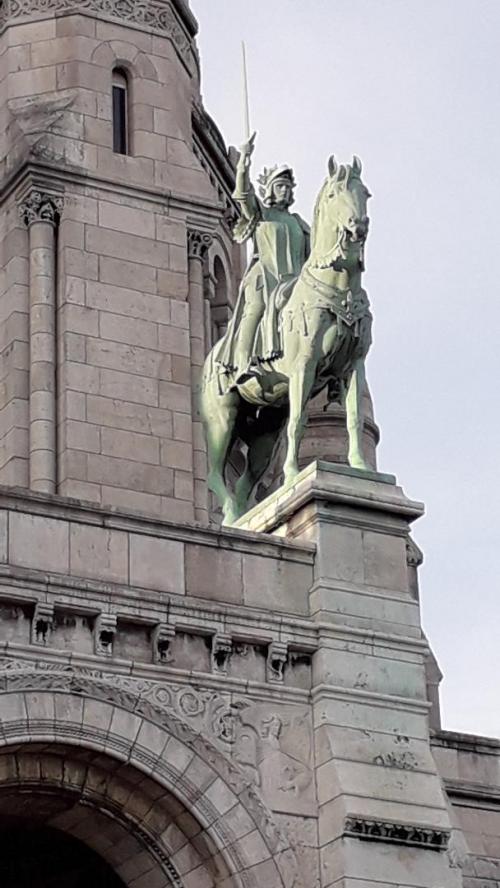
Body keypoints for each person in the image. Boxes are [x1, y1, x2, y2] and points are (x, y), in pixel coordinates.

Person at [217, 132, 310, 382]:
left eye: (288, 187)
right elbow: (243, 195)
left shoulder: (298, 223)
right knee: (256, 309)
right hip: (265, 277)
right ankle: (242, 363)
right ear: (270, 189)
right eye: (280, 186)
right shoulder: (261, 214)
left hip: (293, 282)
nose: (285, 190)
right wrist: (244, 161)